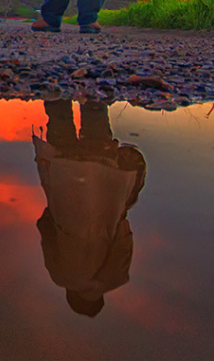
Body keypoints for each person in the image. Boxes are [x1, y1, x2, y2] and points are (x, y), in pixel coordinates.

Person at [33, 99, 147, 317]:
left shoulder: (117, 276)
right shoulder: (59, 276)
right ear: (72, 295)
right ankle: (57, 85)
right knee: (59, 117)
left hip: (103, 170)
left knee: (95, 116)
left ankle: (91, 86)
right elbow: (46, 229)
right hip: (63, 172)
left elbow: (122, 230)